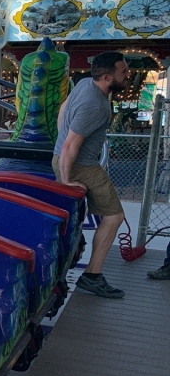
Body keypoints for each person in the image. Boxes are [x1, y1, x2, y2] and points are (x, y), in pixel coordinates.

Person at [53, 51, 130, 299]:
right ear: (107, 77)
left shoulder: (86, 83)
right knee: (114, 216)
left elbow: (63, 110)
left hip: (70, 159)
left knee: (77, 217)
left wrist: (62, 134)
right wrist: (66, 182)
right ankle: (92, 275)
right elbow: (70, 146)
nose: (128, 75)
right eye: (124, 73)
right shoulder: (94, 104)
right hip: (79, 164)